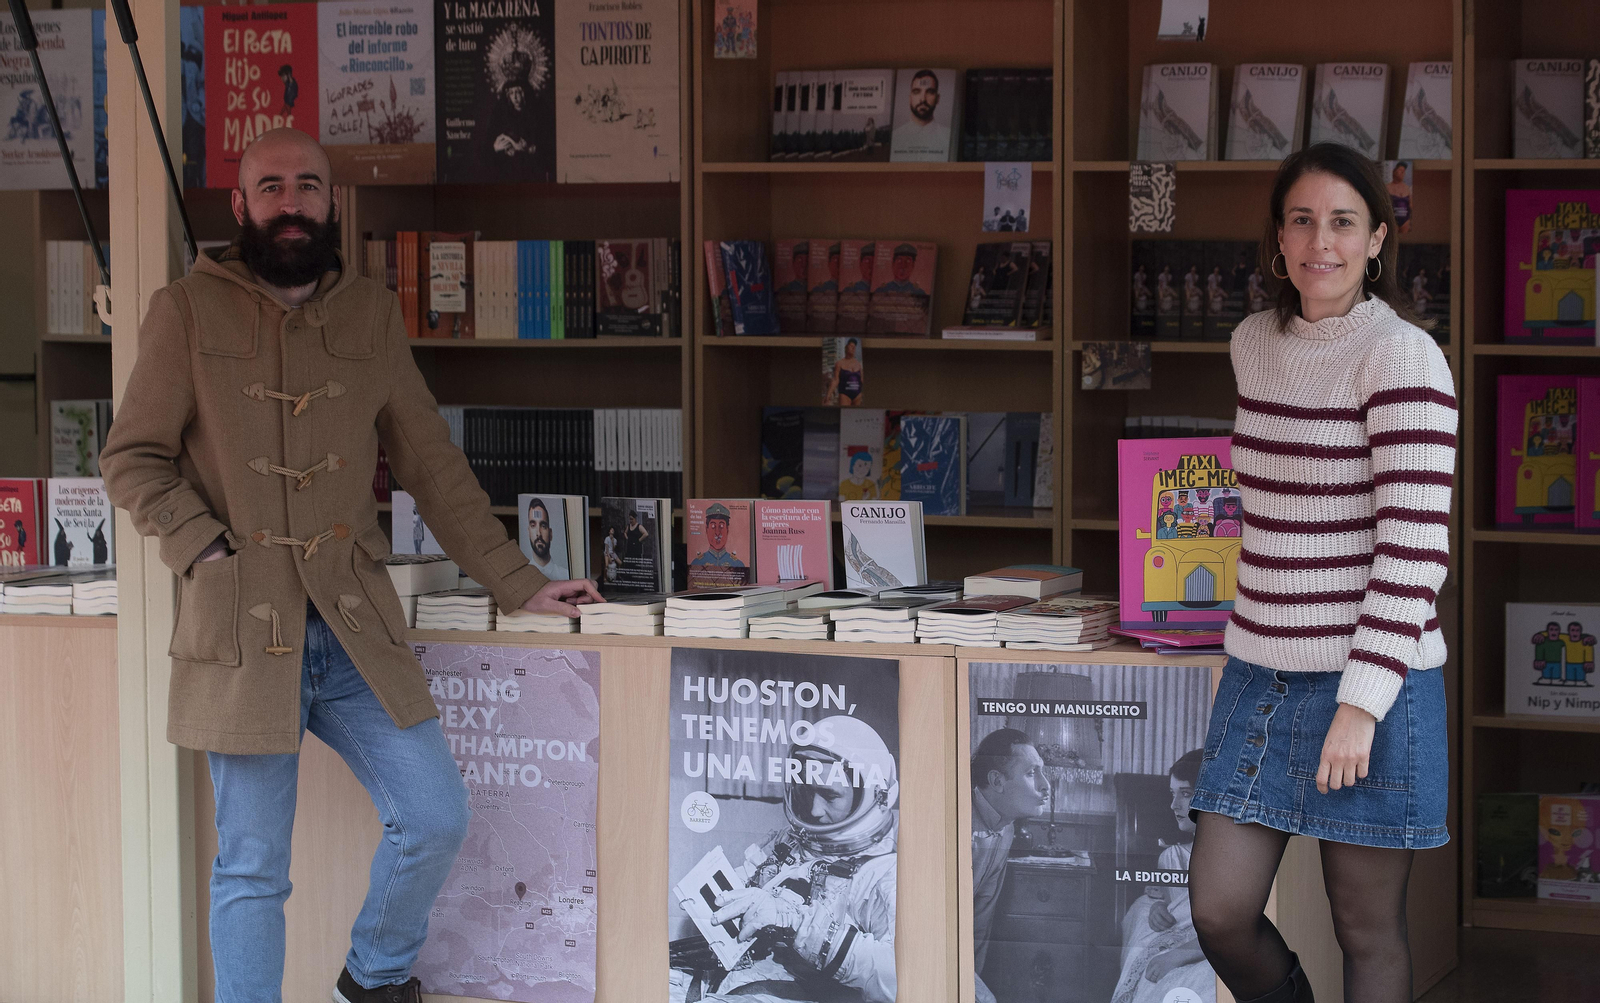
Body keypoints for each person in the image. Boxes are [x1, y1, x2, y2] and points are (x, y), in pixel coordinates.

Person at [98, 129, 601, 1003]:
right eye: (269, 187)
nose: (289, 202)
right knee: (252, 867)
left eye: (307, 186)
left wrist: (516, 578)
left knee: (436, 814)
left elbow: (430, 461)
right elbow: (131, 457)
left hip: (351, 625)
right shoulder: (183, 310)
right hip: (243, 628)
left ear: (333, 204)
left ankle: (372, 979)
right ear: (241, 206)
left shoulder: (369, 313)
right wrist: (202, 545)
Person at [1187, 143, 1455, 1003]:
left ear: (1377, 238)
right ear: (1278, 235)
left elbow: (1412, 545)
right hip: (1261, 673)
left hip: (1372, 682)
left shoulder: (1403, 356)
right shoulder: (1253, 343)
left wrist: (1361, 702)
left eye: (1343, 222)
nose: (1320, 242)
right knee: (1219, 907)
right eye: (1302, 220)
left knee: (1366, 929)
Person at [684, 715, 899, 1002]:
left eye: (829, 795)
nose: (813, 810)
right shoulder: (788, 841)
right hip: (734, 976)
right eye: (806, 790)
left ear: (875, 796)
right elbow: (739, 886)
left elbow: (898, 977)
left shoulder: (885, 872)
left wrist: (795, 921)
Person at [1112, 750, 1210, 1003]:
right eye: (1172, 794)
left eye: (1185, 794)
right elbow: (1177, 911)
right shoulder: (1173, 857)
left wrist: (1178, 955)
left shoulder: (1242, 855)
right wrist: (1158, 906)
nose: (1173, 804)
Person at [969, 728, 1050, 1003]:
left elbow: (979, 922)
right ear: (996, 780)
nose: (1045, 785)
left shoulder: (1006, 827)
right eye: (1031, 773)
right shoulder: (955, 821)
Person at [891, 69, 948, 155]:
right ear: (910, 98)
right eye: (917, 92)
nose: (923, 99)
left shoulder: (948, 137)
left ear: (938, 98)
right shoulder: (894, 137)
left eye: (929, 92)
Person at [689, 503, 746, 570]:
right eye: (713, 526)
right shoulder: (697, 563)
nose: (717, 533)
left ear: (727, 529)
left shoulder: (738, 564)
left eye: (721, 526)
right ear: (706, 529)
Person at [827, 338, 865, 406]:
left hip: (858, 395)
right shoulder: (839, 363)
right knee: (845, 413)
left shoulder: (858, 364)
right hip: (845, 394)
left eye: (854, 347)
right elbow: (835, 380)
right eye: (851, 346)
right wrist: (828, 394)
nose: (853, 348)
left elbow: (862, 380)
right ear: (846, 347)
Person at [525, 498, 554, 573]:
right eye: (533, 525)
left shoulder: (566, 575)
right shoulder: (522, 575)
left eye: (543, 526)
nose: (538, 533)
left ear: (550, 533)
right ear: (529, 532)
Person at [1387, 161, 1412, 235]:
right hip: (1393, 220)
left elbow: (1411, 205)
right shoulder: (1387, 187)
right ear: (1394, 171)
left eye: (1403, 172)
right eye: (1400, 170)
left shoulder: (1407, 188)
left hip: (1405, 220)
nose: (1402, 173)